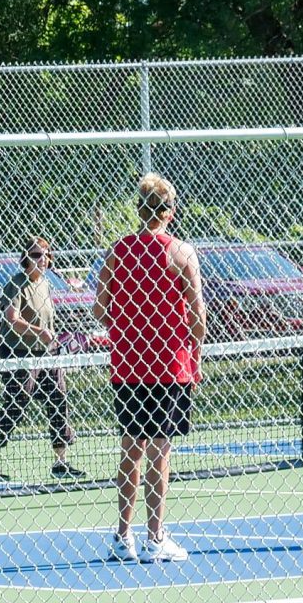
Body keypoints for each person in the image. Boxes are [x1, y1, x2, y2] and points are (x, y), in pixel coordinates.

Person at [92, 174, 207, 564]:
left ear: (140, 210)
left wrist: (128, 328)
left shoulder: (117, 252)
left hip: (128, 367)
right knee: (160, 451)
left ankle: (123, 537)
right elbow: (198, 315)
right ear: (169, 212)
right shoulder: (182, 253)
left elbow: (99, 309)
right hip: (169, 367)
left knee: (131, 449)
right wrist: (196, 353)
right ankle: (155, 537)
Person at [0, 235, 82, 483]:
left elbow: (47, 321)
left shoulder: (45, 284)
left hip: (47, 354)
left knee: (58, 400)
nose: (42, 259)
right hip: (20, 355)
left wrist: (52, 340)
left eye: (45, 255)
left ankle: (60, 462)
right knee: (16, 404)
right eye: (36, 255)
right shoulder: (16, 284)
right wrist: (38, 332)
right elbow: (12, 320)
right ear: (25, 259)